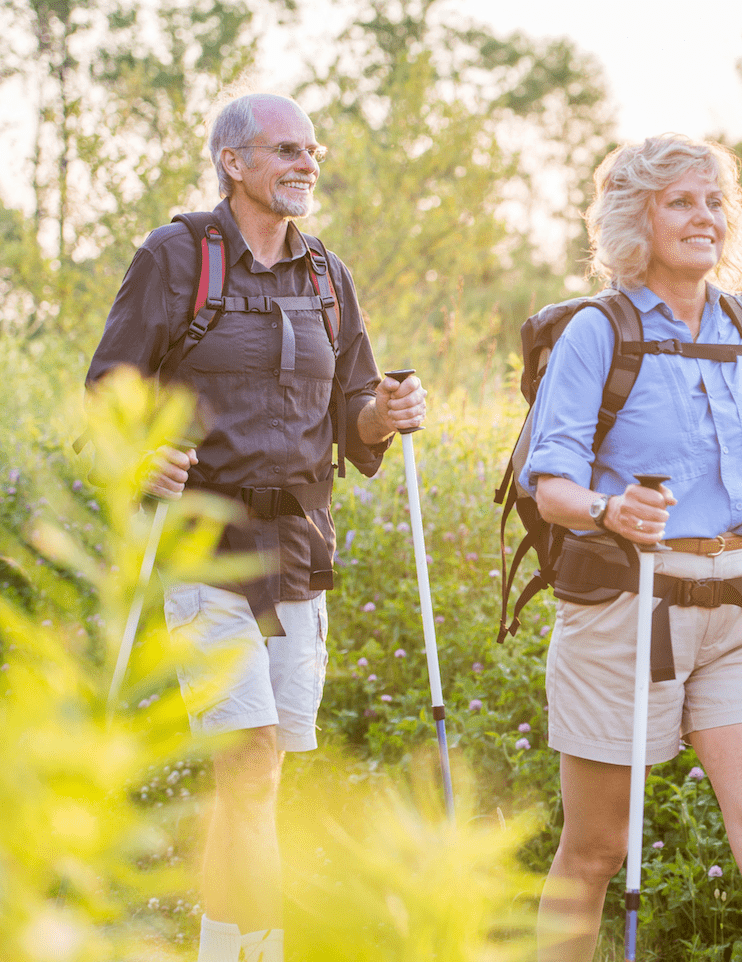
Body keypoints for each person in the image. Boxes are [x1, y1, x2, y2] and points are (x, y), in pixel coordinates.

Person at [86, 92, 426, 962]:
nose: (305, 164)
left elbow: (354, 408)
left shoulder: (326, 274)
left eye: (311, 151)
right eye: (285, 150)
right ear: (232, 162)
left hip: (302, 552)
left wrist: (387, 413)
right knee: (251, 762)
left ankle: (219, 947)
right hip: (205, 545)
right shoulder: (174, 257)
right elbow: (110, 388)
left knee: (258, 776)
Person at [522, 133, 742, 962]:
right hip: (627, 609)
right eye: (680, 201)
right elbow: (552, 486)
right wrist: (612, 510)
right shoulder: (597, 332)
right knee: (595, 851)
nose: (704, 217)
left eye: (716, 201)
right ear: (635, 219)